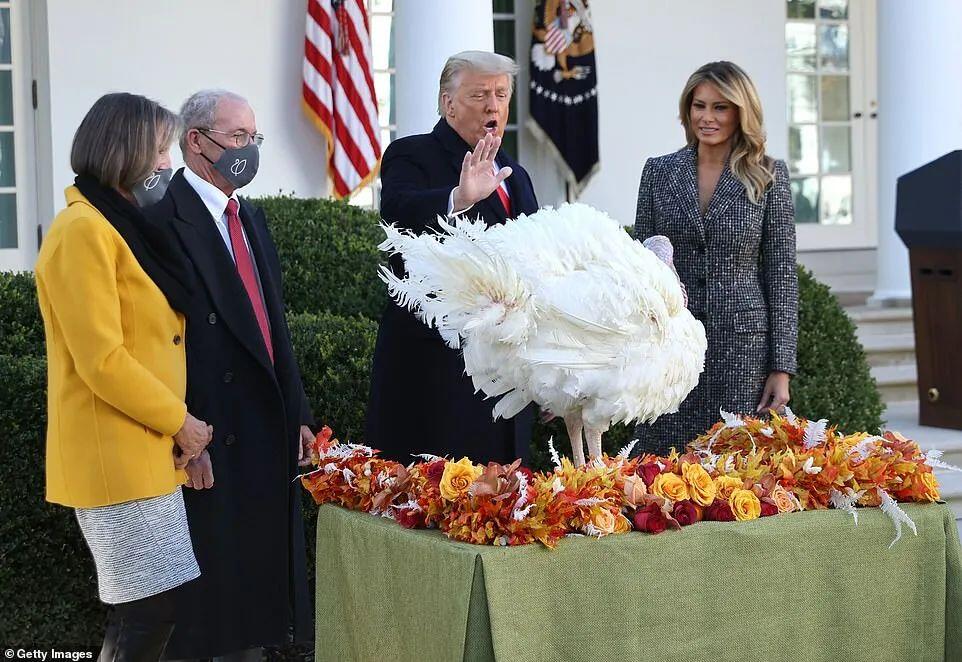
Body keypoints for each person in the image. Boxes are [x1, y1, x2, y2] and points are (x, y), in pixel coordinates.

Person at [36, 92, 210, 661]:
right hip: (116, 452)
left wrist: (177, 432)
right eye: (160, 148)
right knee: (150, 610)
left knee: (147, 609)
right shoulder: (82, 230)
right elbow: (102, 359)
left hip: (146, 449)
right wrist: (180, 422)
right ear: (126, 151)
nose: (167, 162)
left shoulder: (120, 222)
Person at [145, 90, 313, 660]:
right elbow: (160, 342)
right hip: (210, 437)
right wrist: (183, 433)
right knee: (215, 618)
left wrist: (299, 414)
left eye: (253, 139)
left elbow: (273, 331)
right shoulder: (163, 219)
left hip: (266, 430)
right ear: (197, 142)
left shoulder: (249, 215)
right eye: (238, 138)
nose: (248, 150)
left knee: (261, 612)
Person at [366, 51, 539, 466]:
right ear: (448, 104)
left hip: (507, 373)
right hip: (436, 373)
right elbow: (399, 214)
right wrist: (458, 199)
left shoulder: (516, 173)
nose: (493, 105)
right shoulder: (411, 155)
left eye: (500, 94)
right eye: (479, 94)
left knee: (503, 511)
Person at [632, 61, 798, 456]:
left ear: (741, 112)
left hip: (741, 347)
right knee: (660, 465)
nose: (707, 117)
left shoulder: (769, 175)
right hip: (668, 345)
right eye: (699, 105)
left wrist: (781, 368)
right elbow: (640, 265)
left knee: (735, 468)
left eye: (720, 107)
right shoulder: (659, 172)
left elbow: (782, 275)